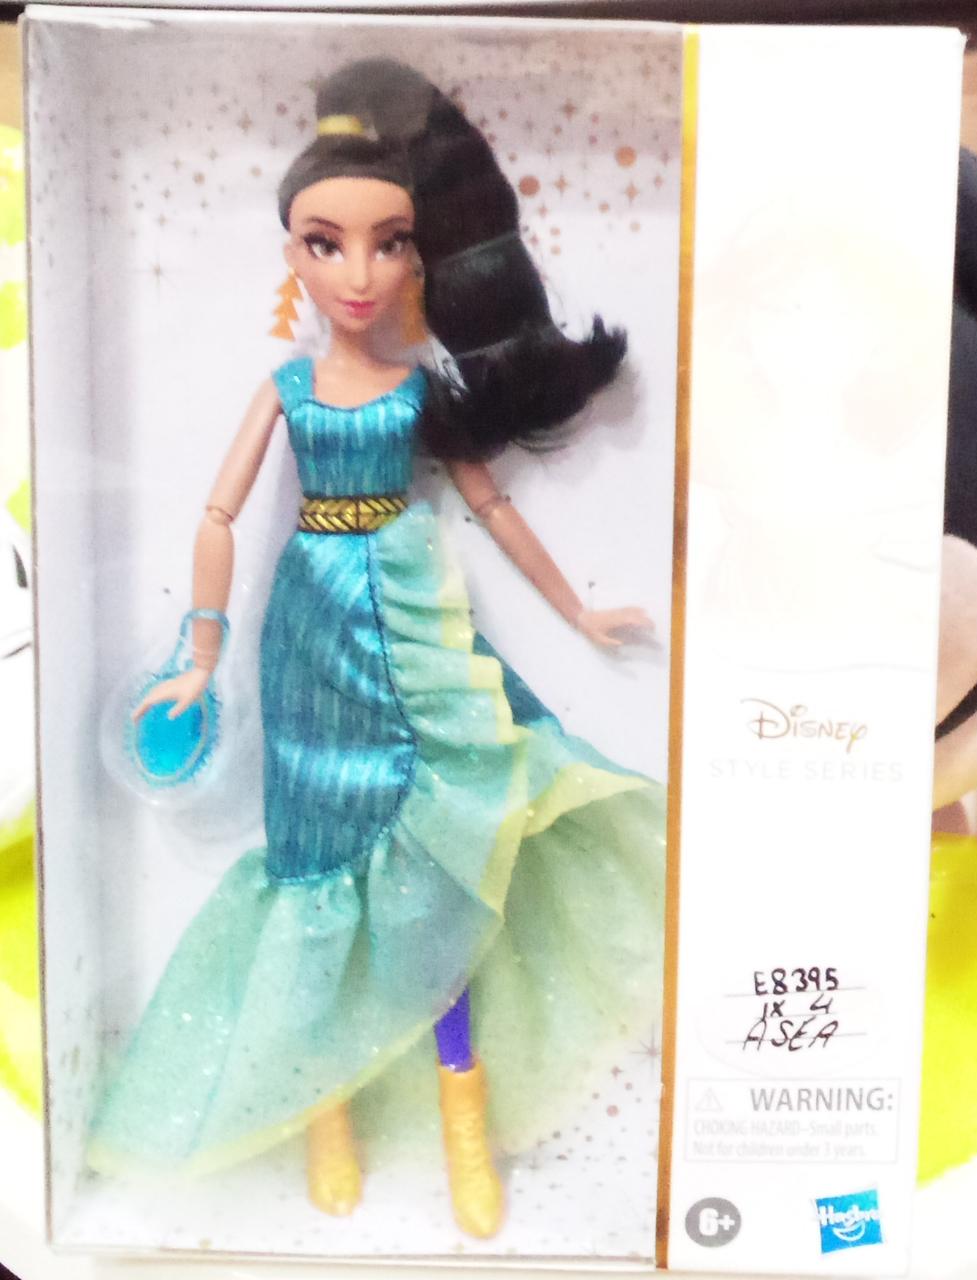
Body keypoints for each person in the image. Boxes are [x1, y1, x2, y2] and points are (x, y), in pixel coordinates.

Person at [88, 59, 667, 1240]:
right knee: (315, 863)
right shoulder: (287, 386)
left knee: (444, 863)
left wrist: (579, 613)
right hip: (310, 634)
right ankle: (326, 1111)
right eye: (327, 243)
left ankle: (464, 1114)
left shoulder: (417, 393)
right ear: (293, 255)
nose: (358, 272)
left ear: (419, 258)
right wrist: (200, 652)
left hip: (416, 619)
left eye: (388, 243)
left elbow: (491, 507)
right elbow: (218, 513)